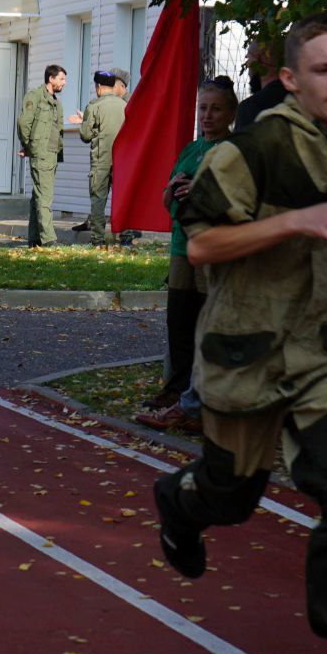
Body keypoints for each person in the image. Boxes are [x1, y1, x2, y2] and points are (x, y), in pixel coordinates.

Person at [152, 14, 327, 654]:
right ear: (291, 80)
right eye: (324, 70)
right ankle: (182, 503)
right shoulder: (250, 150)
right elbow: (202, 246)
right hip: (251, 345)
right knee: (233, 494)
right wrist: (294, 219)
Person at [136, 77, 238, 428]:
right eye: (203, 108)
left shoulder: (231, 151)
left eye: (215, 109)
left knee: (205, 323)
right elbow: (168, 198)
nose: (207, 116)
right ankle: (177, 389)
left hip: (212, 246)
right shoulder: (192, 149)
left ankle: (204, 398)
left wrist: (201, 189)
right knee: (179, 320)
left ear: (231, 113)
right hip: (183, 245)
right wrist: (173, 191)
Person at [16, 65, 67, 248]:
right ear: (51, 79)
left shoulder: (56, 103)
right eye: (62, 79)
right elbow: (24, 123)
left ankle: (35, 238)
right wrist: (29, 146)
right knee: (45, 196)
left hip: (52, 155)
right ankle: (49, 239)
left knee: (38, 196)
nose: (64, 83)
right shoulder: (35, 96)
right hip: (42, 154)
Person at [77, 70, 128, 247]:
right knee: (122, 196)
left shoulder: (94, 106)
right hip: (122, 159)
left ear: (98, 87)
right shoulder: (124, 105)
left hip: (101, 159)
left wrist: (82, 122)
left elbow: (85, 135)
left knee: (98, 199)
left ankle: (98, 239)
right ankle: (125, 237)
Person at [235, 38, 287, 131]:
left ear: (259, 62)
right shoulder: (302, 99)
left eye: (248, 58)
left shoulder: (249, 108)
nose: (247, 64)